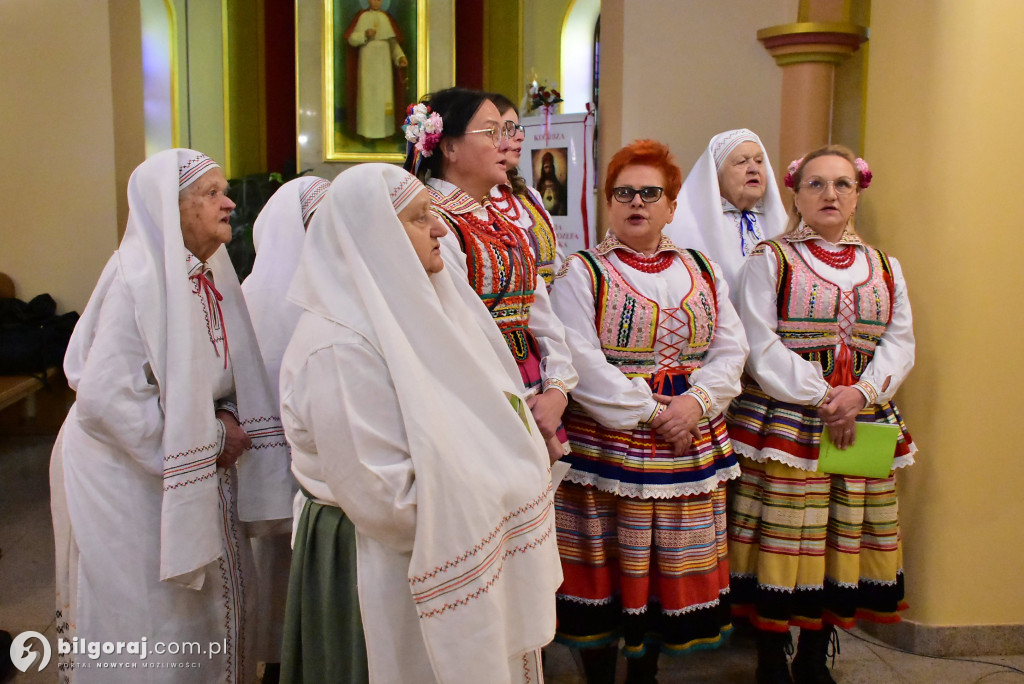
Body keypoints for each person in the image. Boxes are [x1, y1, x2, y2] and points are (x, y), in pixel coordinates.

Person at [278, 163, 561, 684]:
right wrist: (502, 489)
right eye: (419, 218)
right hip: (382, 565)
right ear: (375, 236)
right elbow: (387, 499)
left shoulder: (424, 311)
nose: (440, 229)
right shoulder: (339, 346)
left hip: (455, 532)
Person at [50, 149, 292, 682]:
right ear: (170, 207)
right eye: (212, 194)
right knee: (148, 608)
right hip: (126, 473)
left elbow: (227, 373)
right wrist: (208, 436)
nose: (230, 203)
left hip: (186, 455)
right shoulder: (136, 278)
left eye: (225, 191)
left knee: (201, 607)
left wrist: (224, 418)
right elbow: (105, 400)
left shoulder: (209, 276)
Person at [549, 140, 749, 684]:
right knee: (605, 566)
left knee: (665, 569)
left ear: (672, 204)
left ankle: (645, 675)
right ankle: (596, 674)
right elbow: (581, 361)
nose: (636, 202)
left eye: (650, 192)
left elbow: (731, 348)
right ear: (608, 202)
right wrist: (652, 412)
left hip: (691, 438)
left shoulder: (702, 268)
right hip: (609, 444)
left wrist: (695, 403)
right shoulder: (580, 271)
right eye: (624, 192)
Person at [726, 145, 916, 684]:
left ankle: (813, 658)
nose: (829, 195)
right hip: (789, 423)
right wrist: (820, 396)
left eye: (841, 184)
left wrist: (861, 393)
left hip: (863, 418)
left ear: (857, 194)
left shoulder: (885, 266)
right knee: (784, 543)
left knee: (841, 538)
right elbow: (758, 344)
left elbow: (900, 343)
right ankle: (769, 658)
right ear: (796, 193)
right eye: (816, 184)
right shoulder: (770, 258)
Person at [403, 87, 577, 461]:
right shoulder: (432, 223)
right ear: (449, 147)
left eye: (509, 130)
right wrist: (521, 404)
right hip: (480, 395)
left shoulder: (503, 218)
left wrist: (558, 390)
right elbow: (457, 331)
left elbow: (541, 315)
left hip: (533, 389)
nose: (507, 143)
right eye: (492, 132)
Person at [240, 175, 330, 677]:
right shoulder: (251, 296)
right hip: (273, 463)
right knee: (277, 571)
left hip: (324, 463)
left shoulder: (333, 289)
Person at [665, 129, 788, 293]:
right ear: (716, 174)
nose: (754, 169)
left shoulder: (777, 222)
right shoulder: (687, 226)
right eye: (742, 161)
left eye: (759, 161)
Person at [488, 92, 564, 290]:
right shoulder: (473, 201)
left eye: (518, 128)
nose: (520, 137)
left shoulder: (529, 196)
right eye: (509, 128)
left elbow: (558, 263)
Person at [344, 0, 407, 139]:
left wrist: (400, 57)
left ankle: (386, 132)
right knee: (368, 97)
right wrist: (365, 35)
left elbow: (392, 43)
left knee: (384, 96)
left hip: (384, 63)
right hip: (367, 62)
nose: (376, 2)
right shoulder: (363, 17)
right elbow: (352, 39)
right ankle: (367, 132)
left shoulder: (386, 18)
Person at [535, 151, 568, 216]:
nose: (549, 170)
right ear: (543, 168)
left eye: (550, 167)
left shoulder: (557, 185)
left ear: (553, 168)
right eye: (546, 167)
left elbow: (562, 202)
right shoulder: (540, 185)